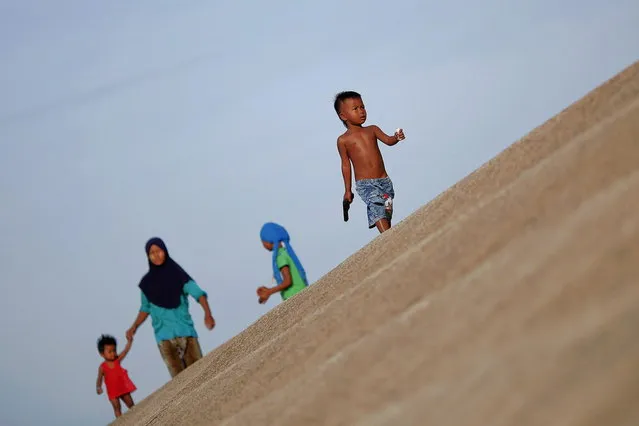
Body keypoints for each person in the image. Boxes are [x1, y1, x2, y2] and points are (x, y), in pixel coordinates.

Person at [126, 237, 215, 378]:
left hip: (186, 334)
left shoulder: (178, 275)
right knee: (180, 383)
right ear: (148, 257)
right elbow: (145, 308)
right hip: (164, 339)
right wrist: (134, 327)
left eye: (159, 251)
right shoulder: (146, 284)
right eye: (152, 253)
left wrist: (208, 314)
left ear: (165, 251)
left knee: (201, 376)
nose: (156, 255)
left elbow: (198, 294)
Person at [334, 91, 406, 233]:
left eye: (363, 107)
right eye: (355, 109)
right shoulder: (343, 140)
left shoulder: (372, 129)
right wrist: (347, 190)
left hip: (384, 181)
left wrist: (396, 137)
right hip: (366, 184)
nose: (361, 111)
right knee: (376, 207)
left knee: (386, 211)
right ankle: (388, 239)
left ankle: (390, 241)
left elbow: (388, 140)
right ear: (343, 116)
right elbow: (346, 165)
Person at [256, 222, 309, 304]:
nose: (263, 244)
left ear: (269, 240)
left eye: (262, 240)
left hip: (295, 296)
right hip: (301, 291)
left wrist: (269, 291)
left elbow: (287, 281)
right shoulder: (286, 252)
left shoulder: (280, 256)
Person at [96, 334, 136, 419]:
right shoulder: (102, 367)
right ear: (102, 354)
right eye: (109, 352)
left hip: (123, 388)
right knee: (117, 408)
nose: (113, 353)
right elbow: (99, 379)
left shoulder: (117, 360)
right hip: (112, 391)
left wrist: (129, 342)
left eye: (114, 350)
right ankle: (120, 422)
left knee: (131, 404)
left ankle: (136, 417)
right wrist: (98, 387)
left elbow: (125, 351)